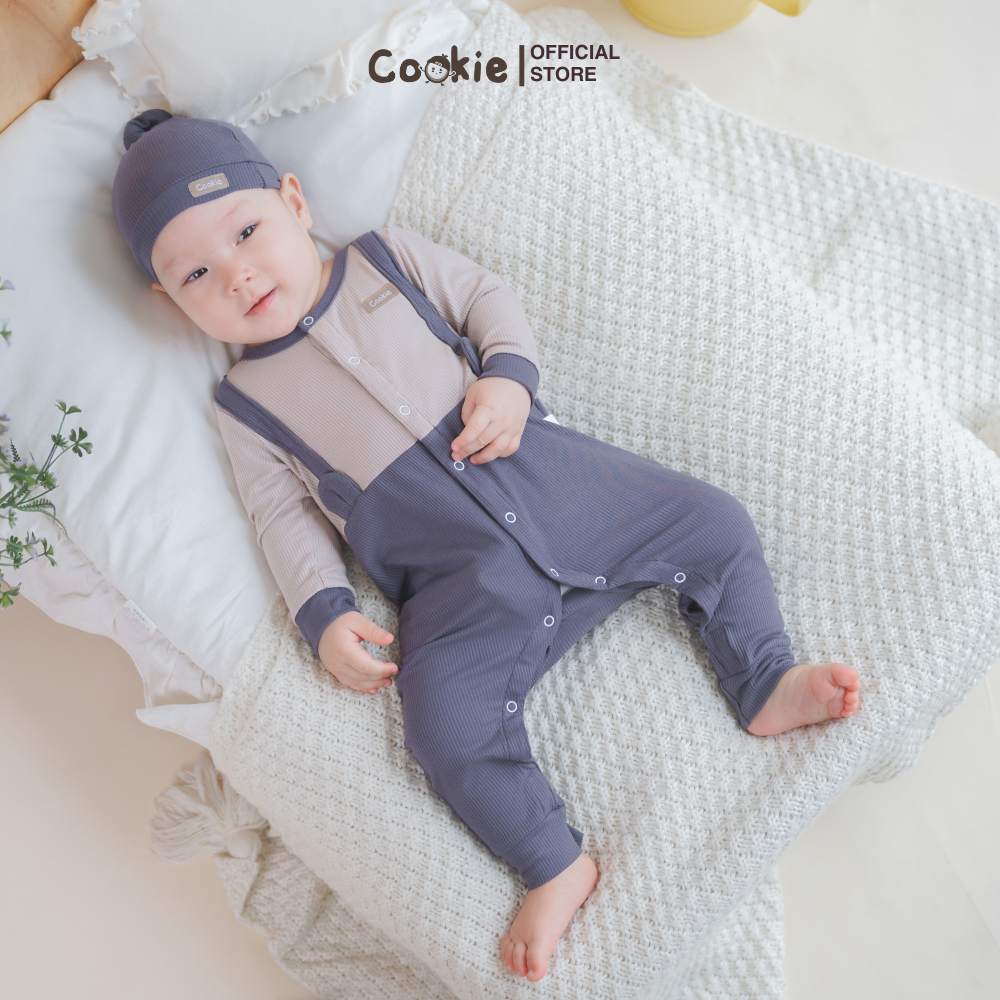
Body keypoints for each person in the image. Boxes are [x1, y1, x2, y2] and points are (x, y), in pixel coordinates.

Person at [112, 109, 860, 983]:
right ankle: (553, 860)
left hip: (558, 485)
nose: (237, 274)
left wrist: (507, 377)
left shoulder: (385, 260)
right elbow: (279, 518)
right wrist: (324, 614)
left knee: (715, 522)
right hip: (457, 583)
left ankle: (763, 679)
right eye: (197, 273)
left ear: (295, 202)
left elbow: (486, 298)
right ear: (170, 301)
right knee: (441, 724)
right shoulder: (246, 405)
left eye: (245, 233)